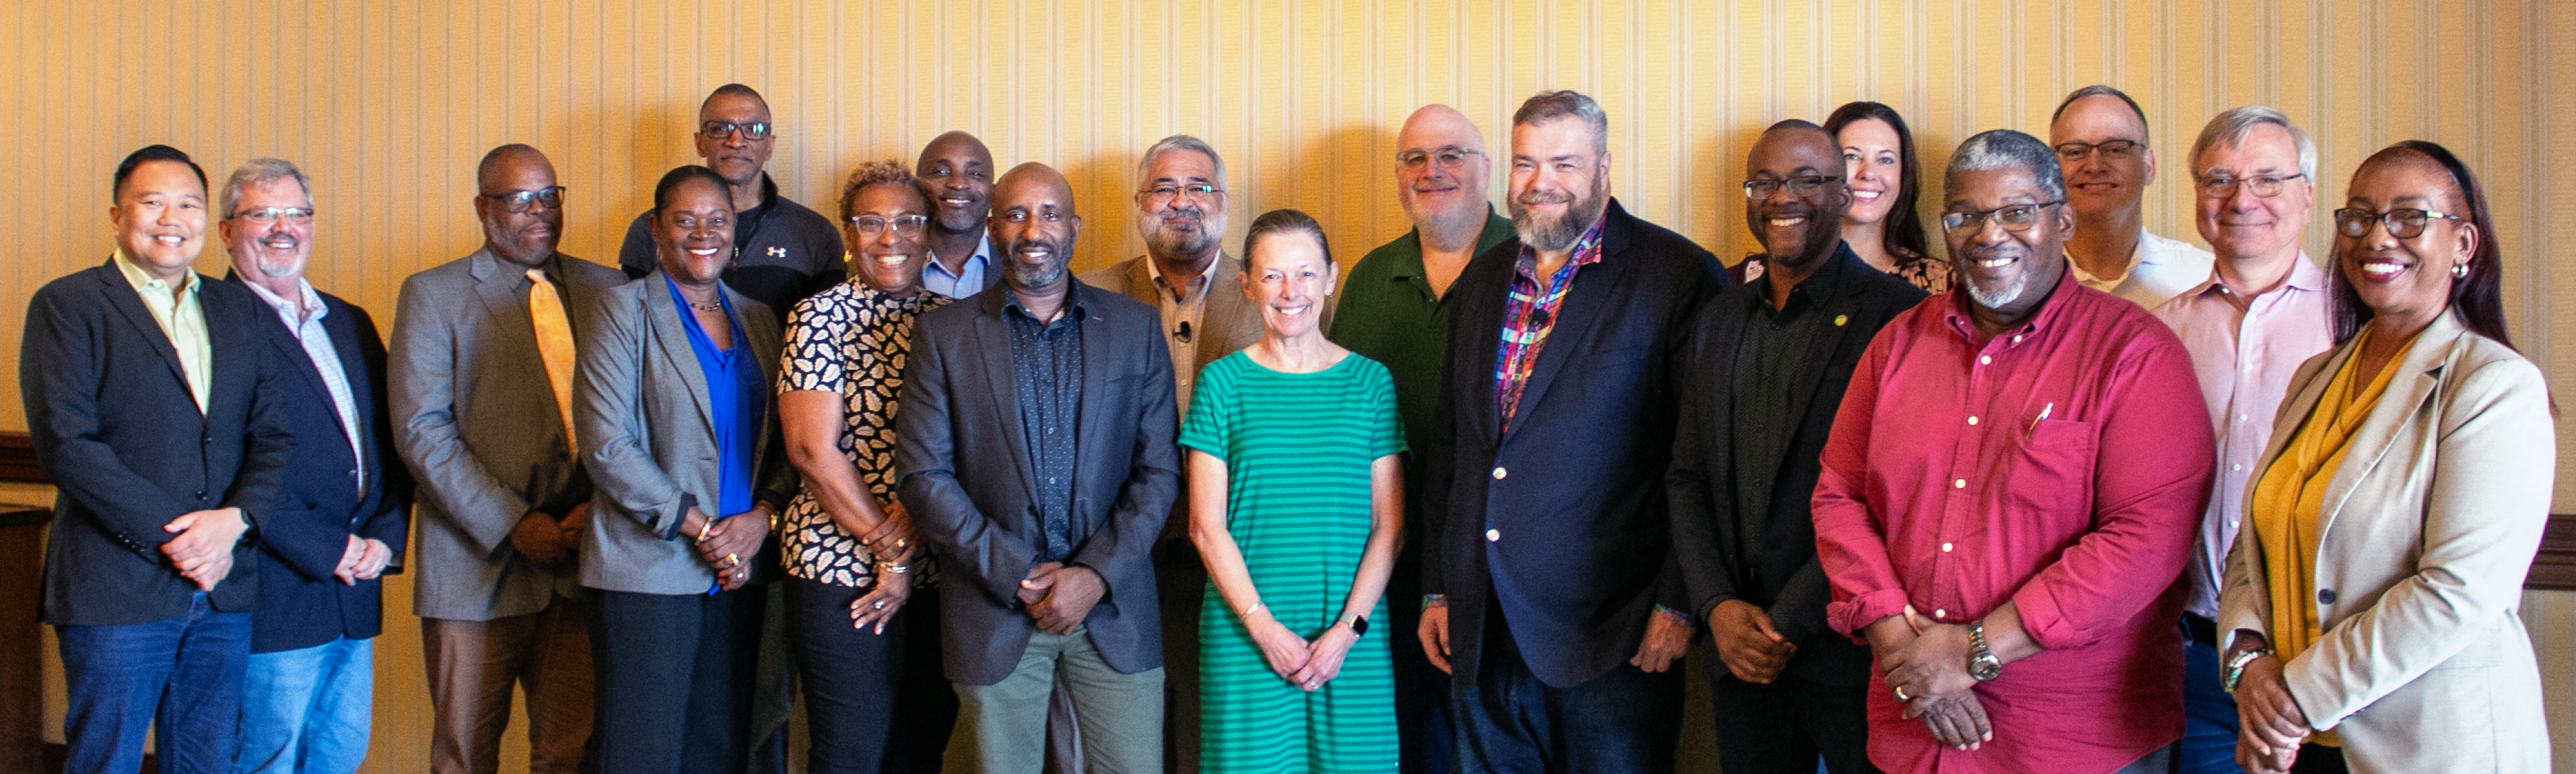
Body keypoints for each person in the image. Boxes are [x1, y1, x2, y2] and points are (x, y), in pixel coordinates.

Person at [1812, 128, 2213, 774]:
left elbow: (2145, 538)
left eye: (2016, 212)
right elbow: (1839, 494)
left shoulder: (2135, 354)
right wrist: (1896, 640)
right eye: (1965, 216)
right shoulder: (1895, 347)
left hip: (2075, 736)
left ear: (2063, 219)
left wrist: (1971, 652)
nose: (1988, 234)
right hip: (1911, 721)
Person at [2217, 141, 2553, 774]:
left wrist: (2294, 693)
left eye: (2408, 217)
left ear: (2463, 245)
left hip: (2431, 745)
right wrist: (2249, 662)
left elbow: (2457, 590)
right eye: (2359, 217)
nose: (2377, 237)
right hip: (2298, 743)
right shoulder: (2316, 376)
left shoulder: (2492, 384)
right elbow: (2251, 543)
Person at [1418, 90, 1724, 774]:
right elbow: (1454, 446)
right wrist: (1440, 587)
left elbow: (1698, 454)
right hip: (1483, 621)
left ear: (1604, 167)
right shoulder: (1485, 276)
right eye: (1525, 164)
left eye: (1563, 163)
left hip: (1611, 628)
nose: (1540, 184)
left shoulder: (1675, 274)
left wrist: (1680, 599)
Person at [897, 162, 1180, 774]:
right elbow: (923, 477)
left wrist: (1093, 575)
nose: (1034, 229)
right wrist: (1022, 575)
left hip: (1114, 608)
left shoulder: (1134, 329)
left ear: (1073, 227)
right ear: (993, 228)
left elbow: (1158, 470)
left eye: (1050, 213)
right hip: (994, 608)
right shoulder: (943, 336)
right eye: (1017, 214)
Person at [21, 144, 293, 774]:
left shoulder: (238, 307)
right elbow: (68, 445)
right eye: (153, 202)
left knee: (206, 762)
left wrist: (234, 522)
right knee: (104, 760)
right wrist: (182, 537)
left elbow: (273, 436)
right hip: (116, 585)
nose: (173, 217)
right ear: (118, 216)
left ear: (208, 220)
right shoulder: (69, 305)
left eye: (189, 204)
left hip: (223, 584)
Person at [1670, 121, 1926, 774]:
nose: (1781, 197)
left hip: (1848, 647)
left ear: (1843, 195)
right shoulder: (1718, 318)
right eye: (1764, 182)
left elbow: (1889, 490)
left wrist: (1787, 619)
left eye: (1807, 180)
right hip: (1735, 653)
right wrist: (1717, 607)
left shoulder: (1899, 318)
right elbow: (1686, 476)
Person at [392, 144, 620, 774]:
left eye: (550, 195)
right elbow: (421, 430)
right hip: (476, 566)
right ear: (483, 208)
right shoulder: (433, 294)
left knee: (569, 753)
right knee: (465, 754)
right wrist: (514, 522)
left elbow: (636, 421)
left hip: (582, 563)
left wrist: (592, 513)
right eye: (520, 199)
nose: (540, 212)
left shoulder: (610, 288)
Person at [575, 164, 797, 773]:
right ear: (656, 229)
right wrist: (701, 528)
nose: (704, 232)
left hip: (741, 572)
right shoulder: (621, 311)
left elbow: (785, 438)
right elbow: (606, 444)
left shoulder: (759, 318)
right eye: (685, 219)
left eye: (718, 219)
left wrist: (761, 518)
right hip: (647, 569)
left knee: (719, 747)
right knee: (640, 752)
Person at [1326, 103, 1513, 774]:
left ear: (1486, 170)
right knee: (1410, 743)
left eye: (1451, 154)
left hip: (1501, 565)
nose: (1432, 171)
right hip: (1390, 565)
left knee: (1495, 743)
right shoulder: (1370, 277)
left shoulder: (1530, 264)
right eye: (1414, 159)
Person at [1185, 210, 1406, 773]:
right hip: (1245, 635)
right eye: (1273, 275)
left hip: (1352, 639)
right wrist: (1266, 630)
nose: (1291, 292)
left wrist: (1344, 633)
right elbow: (1205, 527)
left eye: (1306, 274)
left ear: (1331, 277)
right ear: (1247, 284)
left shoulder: (1371, 382)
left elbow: (1390, 526)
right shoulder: (1220, 383)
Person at [2148, 107, 2335, 774]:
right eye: (2219, 179)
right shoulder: (2159, 333)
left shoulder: (2359, 328)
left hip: (2323, 663)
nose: (2241, 199)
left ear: (2307, 194)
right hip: (2196, 657)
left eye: (2267, 179)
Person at [217, 158, 414, 774]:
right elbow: (221, 464)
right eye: (262, 214)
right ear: (226, 231)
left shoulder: (349, 320)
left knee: (337, 757)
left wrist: (384, 536)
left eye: (296, 213)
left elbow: (392, 439)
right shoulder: (211, 322)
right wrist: (327, 547)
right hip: (273, 595)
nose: (283, 228)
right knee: (265, 760)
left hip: (354, 593)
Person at [1078, 133, 1265, 773]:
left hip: (1237, 557)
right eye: (1164, 187)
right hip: (1119, 557)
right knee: (1124, 734)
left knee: (1216, 731)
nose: (1181, 201)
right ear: (1138, 202)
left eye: (1198, 187)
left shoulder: (1271, 293)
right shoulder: (1091, 294)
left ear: (1225, 202)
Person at [777, 160, 960, 773]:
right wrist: (890, 554)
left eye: (909, 221)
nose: (892, 237)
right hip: (837, 562)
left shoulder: (953, 319)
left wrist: (908, 551)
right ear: (848, 233)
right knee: (851, 748)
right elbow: (812, 451)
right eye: (872, 222)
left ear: (930, 230)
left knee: (922, 742)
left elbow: (958, 446)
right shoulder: (818, 315)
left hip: (937, 561)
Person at [618, 83, 846, 318]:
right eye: (720, 128)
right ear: (700, 143)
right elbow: (630, 324)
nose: (736, 141)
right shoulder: (652, 229)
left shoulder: (815, 233)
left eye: (754, 129)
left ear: (770, 145)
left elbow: (830, 335)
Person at [2050, 85, 2214, 307]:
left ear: (2149, 166)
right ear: (2050, 170)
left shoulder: (2203, 281)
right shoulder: (2018, 282)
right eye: (2075, 151)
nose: (2094, 166)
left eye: (2116, 149)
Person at [1826, 101, 1950, 293]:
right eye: (1851, 156)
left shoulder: (1943, 284)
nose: (1868, 173)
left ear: (1903, 175)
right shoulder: (1776, 276)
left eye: (1885, 160)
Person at [917, 130, 1003, 298]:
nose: (958, 184)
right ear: (916, 189)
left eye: (975, 174)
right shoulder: (891, 263)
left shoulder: (1017, 266)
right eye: (941, 172)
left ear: (994, 193)